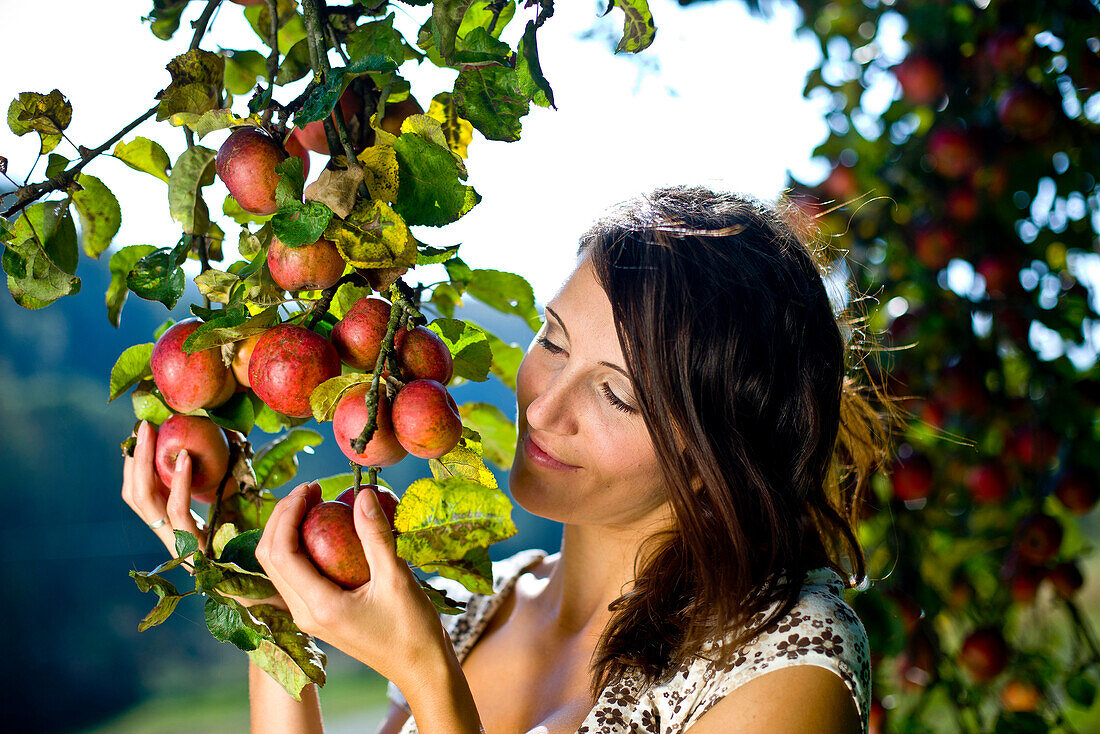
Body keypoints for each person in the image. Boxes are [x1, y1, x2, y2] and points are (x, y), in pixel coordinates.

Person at [123, 186, 900, 734]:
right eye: (553, 341)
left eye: (616, 397)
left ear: (714, 456)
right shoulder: (489, 605)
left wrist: (430, 680)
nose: (542, 406)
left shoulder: (787, 658)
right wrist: (260, 605)